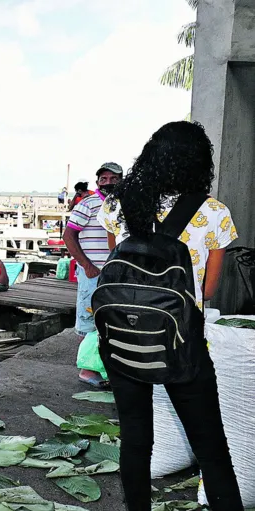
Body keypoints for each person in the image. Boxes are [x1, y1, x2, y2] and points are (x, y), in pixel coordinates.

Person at [97, 121, 243, 511]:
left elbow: (121, 272)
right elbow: (207, 290)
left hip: (123, 338)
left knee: (135, 437)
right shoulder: (213, 213)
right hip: (183, 342)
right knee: (211, 448)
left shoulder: (116, 205)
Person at [63, 162, 122, 388]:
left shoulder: (121, 204)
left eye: (114, 179)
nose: (108, 183)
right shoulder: (88, 204)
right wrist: (86, 265)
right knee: (90, 322)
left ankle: (103, 367)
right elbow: (69, 236)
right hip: (93, 273)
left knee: (110, 322)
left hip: (115, 274)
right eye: (103, 179)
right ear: (97, 182)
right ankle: (87, 371)